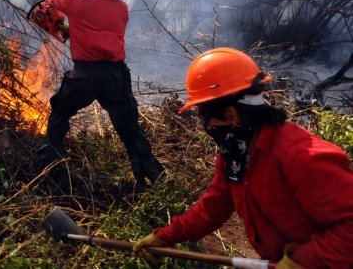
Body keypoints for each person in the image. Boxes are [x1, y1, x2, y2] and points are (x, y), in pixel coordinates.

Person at [133, 47, 353, 267]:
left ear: (231, 115)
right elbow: (213, 207)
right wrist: (166, 236)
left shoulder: (300, 156)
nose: (206, 126)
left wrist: (303, 261)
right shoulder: (237, 156)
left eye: (205, 118)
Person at [39, 0, 165, 187]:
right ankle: (155, 179)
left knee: (59, 115)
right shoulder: (122, 9)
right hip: (115, 77)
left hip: (84, 76)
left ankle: (51, 170)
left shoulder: (75, 0)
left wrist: (48, 0)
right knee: (130, 129)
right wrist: (73, 30)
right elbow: (100, 31)